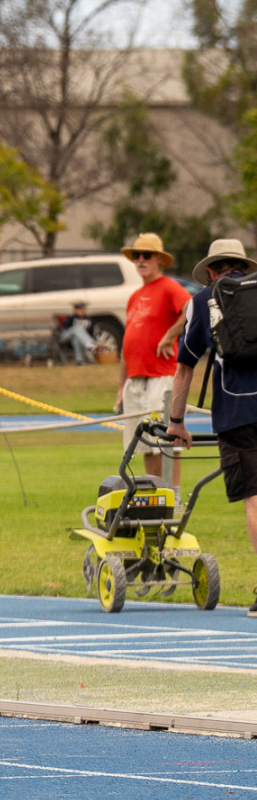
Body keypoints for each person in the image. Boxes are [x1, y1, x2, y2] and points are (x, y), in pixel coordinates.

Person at [168, 239, 257, 615]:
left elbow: (185, 367)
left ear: (209, 270)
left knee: (254, 498)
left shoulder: (202, 301)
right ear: (243, 266)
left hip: (237, 412)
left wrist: (177, 422)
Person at [117, 232, 192, 488]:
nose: (140, 260)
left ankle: (174, 496)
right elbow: (127, 343)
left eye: (146, 255)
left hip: (161, 376)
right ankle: (156, 496)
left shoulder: (169, 287)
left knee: (166, 441)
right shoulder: (135, 296)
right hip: (135, 378)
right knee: (144, 444)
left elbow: (190, 310)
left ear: (159, 259)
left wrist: (169, 335)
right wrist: (121, 386)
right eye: (136, 255)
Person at [57, 301, 98, 365]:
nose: (79, 311)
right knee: (77, 328)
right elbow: (65, 328)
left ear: (84, 309)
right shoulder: (71, 318)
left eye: (81, 309)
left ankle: (79, 360)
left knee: (76, 338)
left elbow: (91, 332)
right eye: (77, 309)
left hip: (77, 339)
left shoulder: (89, 320)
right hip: (65, 336)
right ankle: (90, 344)